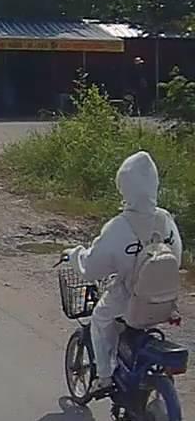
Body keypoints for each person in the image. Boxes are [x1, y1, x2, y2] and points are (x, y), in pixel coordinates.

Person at [66, 151, 183, 393]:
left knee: (100, 319)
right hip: (164, 300)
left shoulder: (120, 227)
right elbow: (176, 257)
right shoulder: (166, 220)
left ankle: (104, 377)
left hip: (128, 298)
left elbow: (91, 268)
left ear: (124, 187)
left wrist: (75, 255)